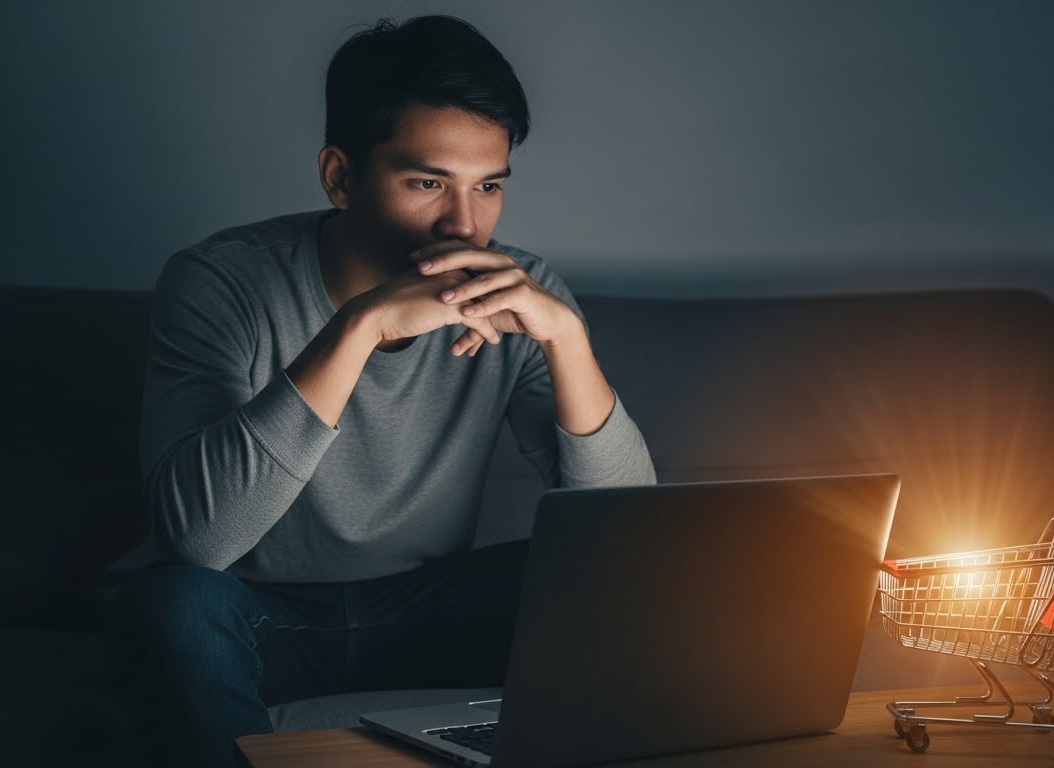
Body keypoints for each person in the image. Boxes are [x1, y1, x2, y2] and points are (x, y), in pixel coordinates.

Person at [102, 14, 655, 767]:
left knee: (610, 579)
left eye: (488, 185)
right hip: (259, 616)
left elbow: (621, 534)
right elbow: (200, 542)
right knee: (169, 604)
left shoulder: (521, 293)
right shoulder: (220, 281)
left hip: (425, 609)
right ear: (340, 177)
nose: (466, 224)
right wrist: (358, 329)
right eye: (427, 182)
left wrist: (567, 340)